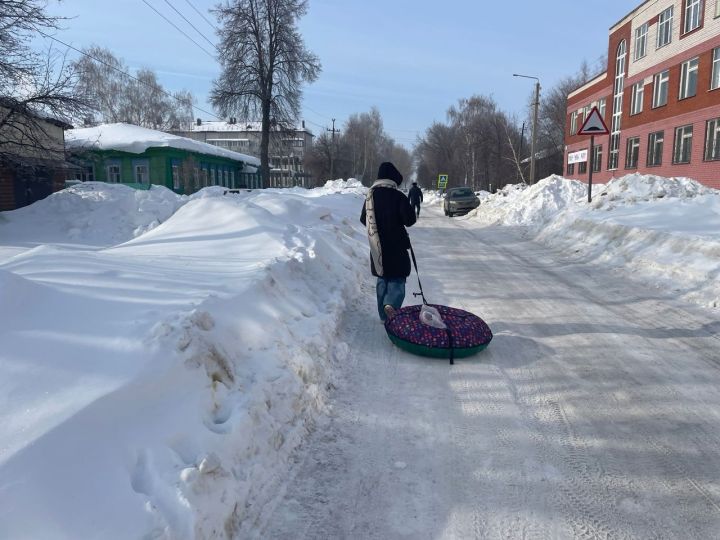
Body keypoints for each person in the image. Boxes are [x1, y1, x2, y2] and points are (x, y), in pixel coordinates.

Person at [360, 162, 417, 322]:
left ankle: (383, 315)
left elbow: (363, 219)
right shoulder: (398, 196)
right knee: (397, 277)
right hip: (397, 244)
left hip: (377, 245)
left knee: (382, 277)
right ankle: (391, 304)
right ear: (393, 179)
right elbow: (409, 220)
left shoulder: (370, 197)